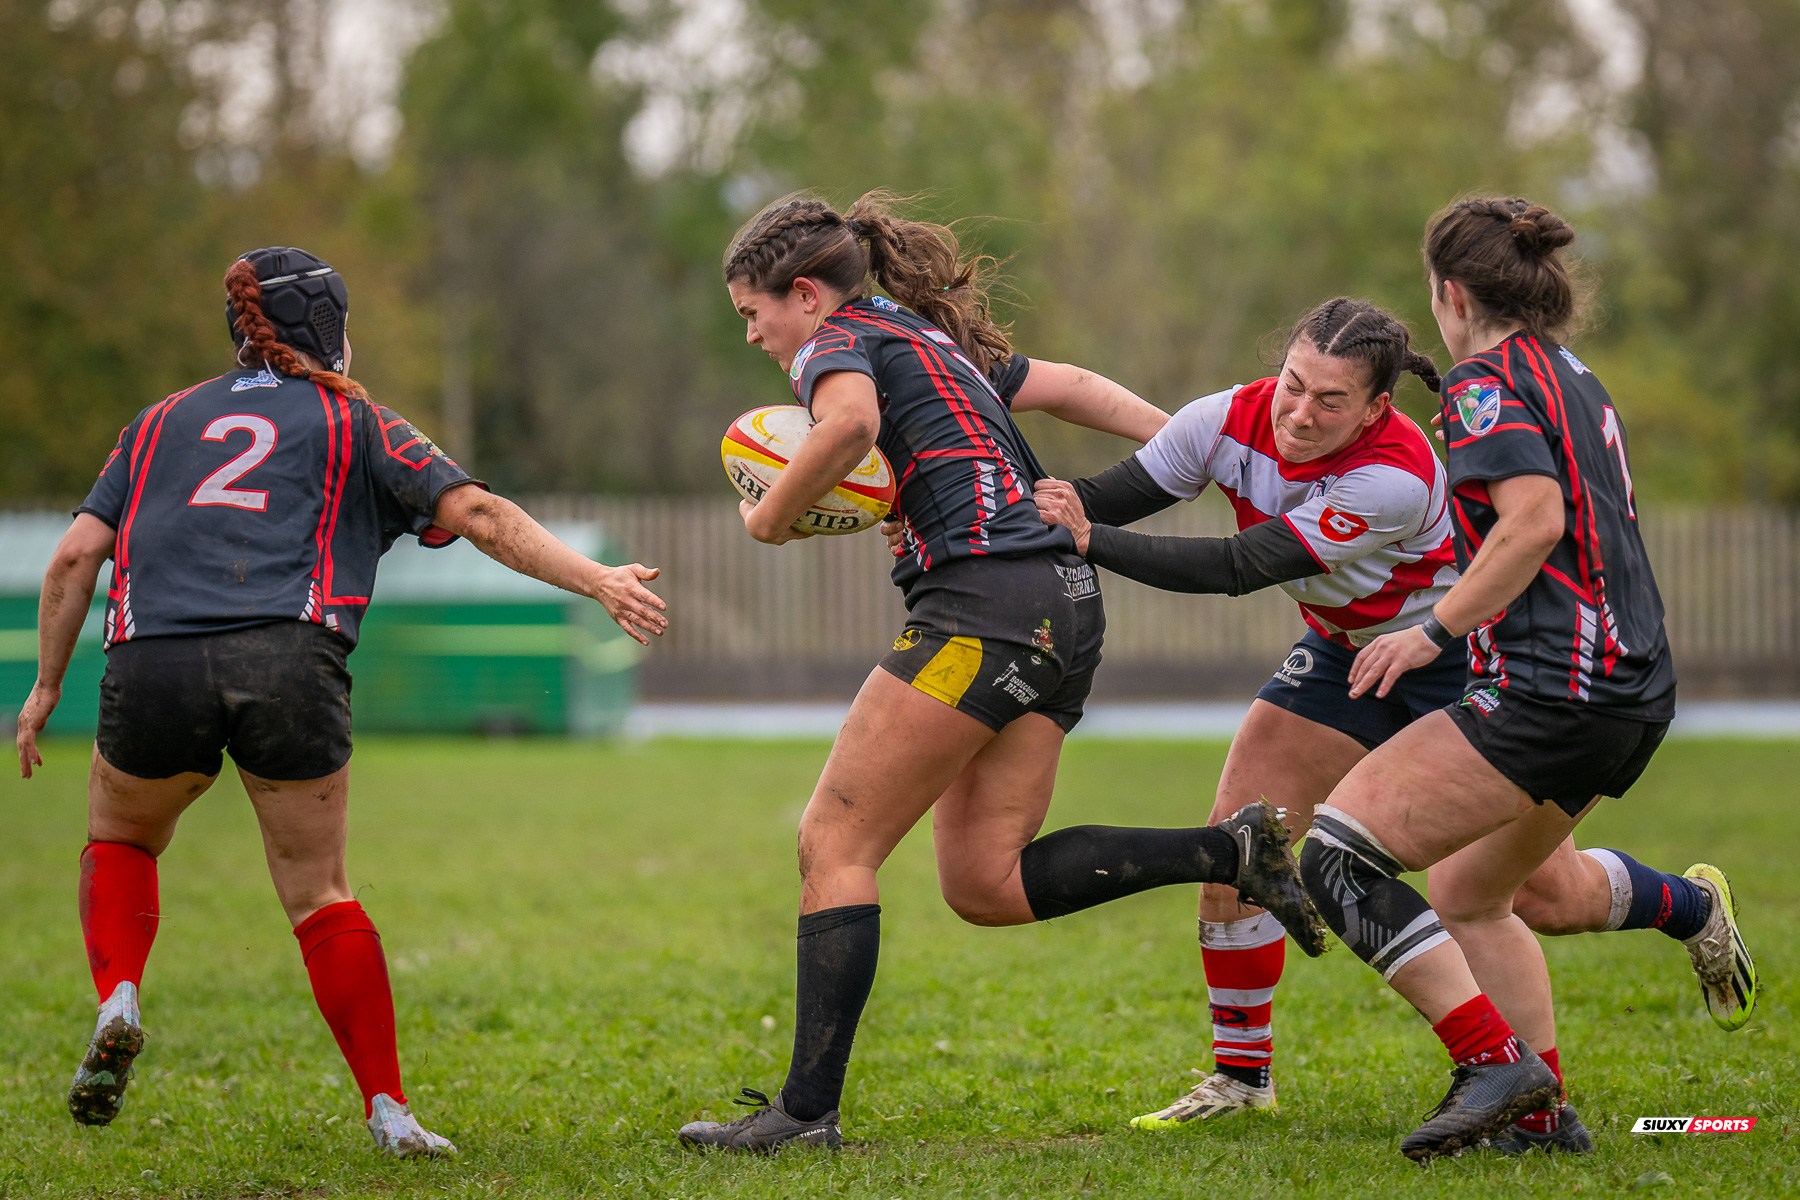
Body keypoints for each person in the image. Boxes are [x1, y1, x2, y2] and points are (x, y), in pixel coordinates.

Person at [676, 192, 1326, 1155]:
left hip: (981, 612)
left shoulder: (835, 345)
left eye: (752, 312)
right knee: (985, 881)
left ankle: (803, 1114)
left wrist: (770, 513)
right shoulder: (921, 332)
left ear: (804, 296)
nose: (753, 335)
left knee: (833, 843)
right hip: (1064, 602)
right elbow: (1068, 387)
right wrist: (1210, 456)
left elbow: (849, 425)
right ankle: (1229, 852)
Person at [1031, 298, 1755, 1147]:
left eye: (1329, 401)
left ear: (1376, 407)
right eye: (1294, 385)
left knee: (1534, 895)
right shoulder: (1223, 418)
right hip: (1344, 653)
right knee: (1240, 839)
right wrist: (1014, 505)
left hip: (1455, 654)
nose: (1300, 413)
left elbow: (1238, 566)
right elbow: (1099, 497)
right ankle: (1241, 1078)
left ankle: (1689, 907)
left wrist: (1086, 542)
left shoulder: (1400, 472)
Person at [14, 247, 668, 1157]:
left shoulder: (157, 422)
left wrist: (45, 685)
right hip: (289, 655)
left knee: (122, 839)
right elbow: (479, 515)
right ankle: (390, 1112)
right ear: (331, 332)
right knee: (319, 893)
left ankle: (120, 993)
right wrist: (595, 578)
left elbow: (74, 558)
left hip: (151, 659)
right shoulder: (357, 419)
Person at [1292, 197, 1755, 1162]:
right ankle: (1541, 1120)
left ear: (1451, 293)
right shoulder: (1572, 373)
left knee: (1335, 853)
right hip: (1629, 690)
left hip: (1553, 689)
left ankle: (1496, 1064)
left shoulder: (1481, 383)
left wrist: (1432, 632)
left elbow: (1535, 521)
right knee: (1471, 893)